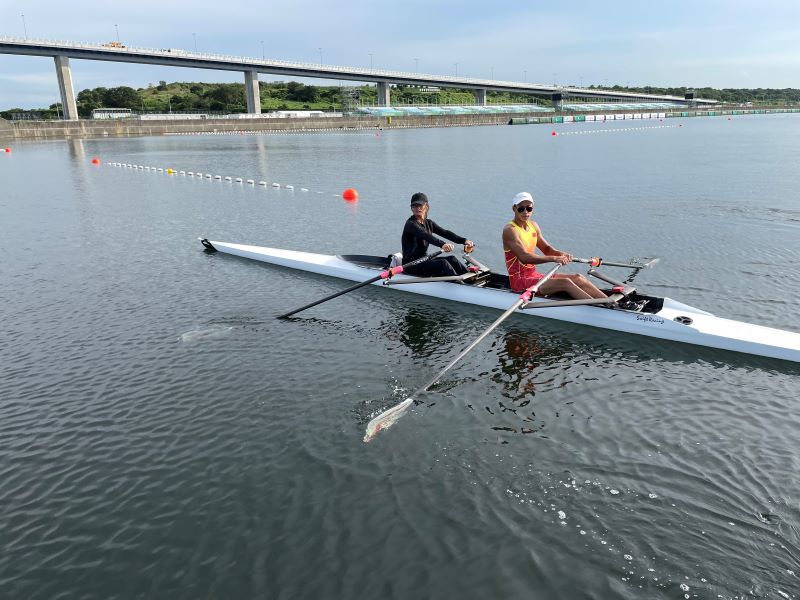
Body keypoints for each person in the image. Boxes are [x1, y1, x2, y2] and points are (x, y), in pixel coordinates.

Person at [502, 192, 606, 299]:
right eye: (521, 209)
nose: (525, 212)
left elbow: (547, 249)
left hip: (534, 276)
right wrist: (554, 258)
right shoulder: (510, 230)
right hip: (519, 281)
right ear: (514, 208)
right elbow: (524, 257)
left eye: (529, 208)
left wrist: (561, 254)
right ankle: (601, 310)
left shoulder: (533, 225)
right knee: (565, 283)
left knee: (578, 277)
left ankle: (609, 303)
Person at [401, 192, 475, 277]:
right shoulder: (410, 224)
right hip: (411, 265)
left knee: (452, 259)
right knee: (443, 263)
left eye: (420, 205)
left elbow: (445, 233)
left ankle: (468, 280)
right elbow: (426, 236)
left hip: (424, 260)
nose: (417, 208)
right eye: (414, 206)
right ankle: (460, 285)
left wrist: (464, 241)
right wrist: (442, 244)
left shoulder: (429, 223)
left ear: (426, 207)